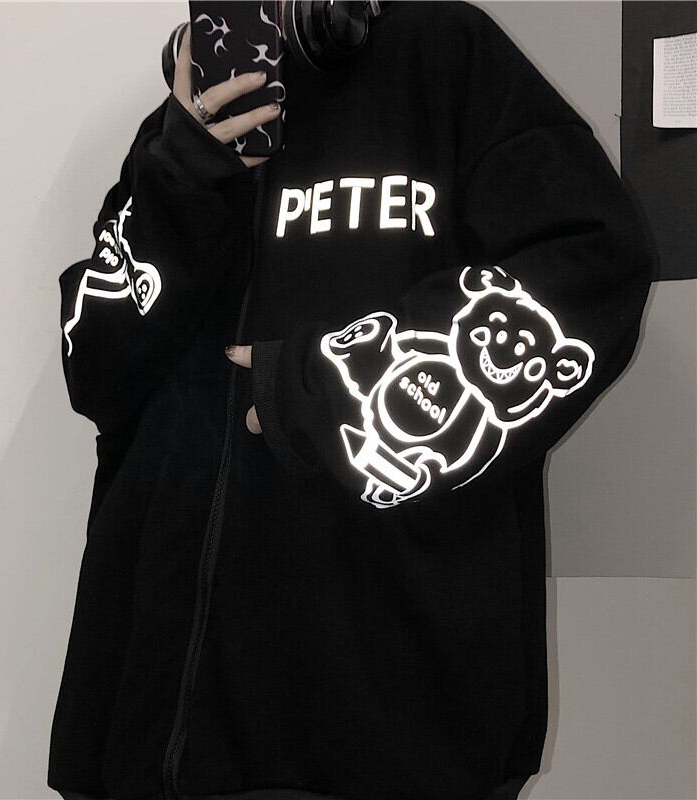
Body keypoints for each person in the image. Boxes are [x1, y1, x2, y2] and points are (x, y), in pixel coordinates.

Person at [48, 3, 654, 800]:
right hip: (145, 731)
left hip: (384, 732)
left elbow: (594, 263)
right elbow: (96, 370)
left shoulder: (447, 55)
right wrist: (182, 174)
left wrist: (325, 387)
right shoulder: (180, 129)